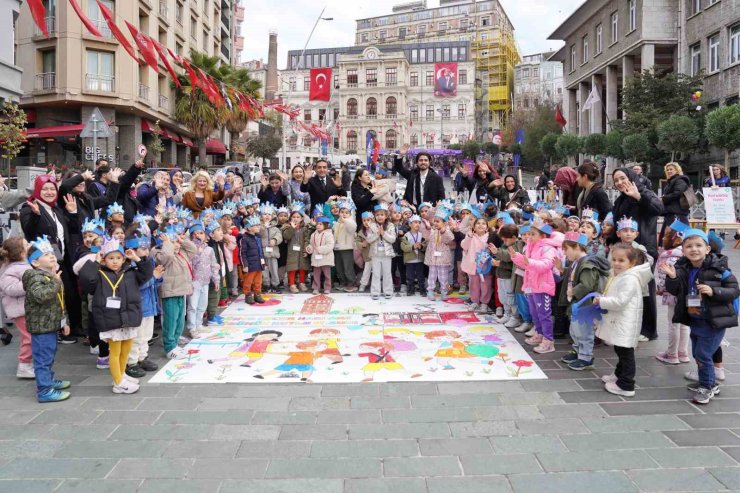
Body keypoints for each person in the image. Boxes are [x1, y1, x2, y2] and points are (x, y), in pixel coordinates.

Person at [663, 229, 740, 404]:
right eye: (689, 246)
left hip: (714, 321)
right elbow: (674, 290)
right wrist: (673, 277)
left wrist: (714, 291)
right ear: (683, 250)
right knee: (699, 353)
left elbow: (735, 290)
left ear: (707, 249)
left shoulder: (719, 268)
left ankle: (707, 387)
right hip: (695, 317)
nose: (694, 249)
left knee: (703, 353)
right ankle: (709, 382)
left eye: (698, 245)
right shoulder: (682, 267)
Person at [78, 237, 153, 394]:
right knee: (115, 351)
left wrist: (137, 259)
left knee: (126, 348)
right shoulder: (99, 274)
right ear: (104, 259)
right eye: (111, 258)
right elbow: (86, 280)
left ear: (124, 258)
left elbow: (146, 274)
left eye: (118, 258)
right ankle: (118, 382)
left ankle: (122, 374)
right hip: (110, 319)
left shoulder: (130, 272)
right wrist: (95, 262)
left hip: (129, 317)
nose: (115, 261)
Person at [20, 175, 81, 343]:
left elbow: (72, 229)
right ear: (38, 189)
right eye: (45, 188)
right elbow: (29, 231)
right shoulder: (29, 207)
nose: (49, 192)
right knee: (54, 296)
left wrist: (73, 212)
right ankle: (60, 331)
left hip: (62, 258)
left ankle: (71, 327)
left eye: (52, 188)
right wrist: (35, 216)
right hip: (44, 263)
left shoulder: (55, 209)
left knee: (69, 293)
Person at [610, 167, 663, 341]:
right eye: (616, 180)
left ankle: (649, 330)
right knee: (626, 287)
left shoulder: (644, 192)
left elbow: (658, 208)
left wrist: (638, 196)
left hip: (644, 249)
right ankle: (630, 325)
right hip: (625, 249)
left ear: (632, 177)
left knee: (645, 289)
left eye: (622, 178)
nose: (619, 183)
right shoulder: (620, 200)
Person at [595, 243, 653, 397]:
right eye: (614, 259)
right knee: (621, 350)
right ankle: (618, 374)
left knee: (626, 352)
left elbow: (621, 301)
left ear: (632, 263)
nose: (616, 263)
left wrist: (601, 301)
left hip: (625, 322)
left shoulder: (630, 279)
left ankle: (626, 385)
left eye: (621, 261)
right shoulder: (619, 275)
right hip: (619, 321)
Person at [23, 236, 72, 402]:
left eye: (51, 253)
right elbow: (41, 296)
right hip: (41, 326)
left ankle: (49, 381)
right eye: (46, 254)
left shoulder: (51, 275)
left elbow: (60, 300)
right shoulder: (34, 277)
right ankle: (44, 391)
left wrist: (64, 321)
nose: (51, 256)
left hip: (51, 324)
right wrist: (56, 282)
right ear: (35, 263)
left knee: (49, 355)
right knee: (42, 359)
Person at [559, 232, 610, 371]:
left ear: (577, 247)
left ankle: (586, 357)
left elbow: (586, 285)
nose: (564, 253)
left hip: (585, 304)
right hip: (578, 303)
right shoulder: (577, 262)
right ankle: (577, 351)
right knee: (575, 329)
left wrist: (573, 291)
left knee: (584, 331)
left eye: (566, 249)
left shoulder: (587, 263)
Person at [512, 220, 563, 354]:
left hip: (543, 287)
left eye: (533, 234)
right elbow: (527, 265)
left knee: (544, 315)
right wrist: (516, 257)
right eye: (529, 234)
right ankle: (539, 334)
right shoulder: (532, 246)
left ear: (543, 236)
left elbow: (545, 265)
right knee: (535, 313)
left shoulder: (549, 249)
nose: (529, 237)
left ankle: (548, 341)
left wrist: (529, 261)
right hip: (531, 285)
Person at [154, 229, 197, 360]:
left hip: (181, 291)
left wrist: (182, 240)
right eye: (173, 242)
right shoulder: (158, 253)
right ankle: (169, 347)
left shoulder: (182, 253)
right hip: (170, 292)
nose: (176, 245)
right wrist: (167, 243)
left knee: (179, 320)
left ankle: (175, 342)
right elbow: (166, 257)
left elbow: (193, 250)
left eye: (176, 241)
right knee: (170, 321)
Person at [124, 234, 161, 377]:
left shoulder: (148, 262)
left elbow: (154, 281)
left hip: (149, 305)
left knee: (146, 335)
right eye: (143, 249)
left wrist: (158, 278)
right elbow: (137, 285)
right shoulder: (130, 267)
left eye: (147, 248)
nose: (146, 252)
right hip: (138, 307)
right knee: (136, 337)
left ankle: (143, 357)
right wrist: (154, 278)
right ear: (132, 251)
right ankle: (132, 362)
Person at [654, 230, 690, 366]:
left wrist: (661, 289)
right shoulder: (686, 255)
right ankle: (683, 352)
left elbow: (664, 276)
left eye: (665, 236)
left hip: (673, 294)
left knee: (673, 324)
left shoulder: (667, 256)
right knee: (685, 324)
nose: (663, 238)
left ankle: (672, 354)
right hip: (687, 294)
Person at [0, 237, 33, 379]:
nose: (30, 245)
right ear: (20, 252)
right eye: (26, 245)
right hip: (20, 310)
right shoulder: (10, 270)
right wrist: (30, 283)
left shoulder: (25, 264)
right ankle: (24, 365)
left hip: (27, 308)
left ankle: (29, 362)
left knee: (31, 336)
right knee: (29, 338)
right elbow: (10, 289)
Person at [185, 222, 219, 340]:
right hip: (195, 281)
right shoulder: (190, 250)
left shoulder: (209, 249)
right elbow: (190, 264)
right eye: (196, 234)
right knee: (193, 305)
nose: (199, 236)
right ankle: (191, 327)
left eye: (201, 233)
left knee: (202, 305)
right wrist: (196, 252)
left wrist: (216, 279)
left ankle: (199, 324)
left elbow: (214, 265)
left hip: (205, 281)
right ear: (192, 236)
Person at [421, 206, 454, 301]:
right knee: (432, 276)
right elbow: (426, 237)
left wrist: (443, 231)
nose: (435, 223)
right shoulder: (432, 230)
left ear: (444, 223)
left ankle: (444, 291)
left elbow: (449, 239)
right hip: (432, 258)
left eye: (438, 221)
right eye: (434, 221)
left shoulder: (447, 230)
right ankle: (430, 291)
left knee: (443, 277)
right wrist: (427, 228)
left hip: (443, 259)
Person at [461, 217, 493, 312]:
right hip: (473, 265)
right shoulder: (470, 236)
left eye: (483, 223)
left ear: (487, 228)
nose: (480, 225)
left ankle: (484, 303)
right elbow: (464, 246)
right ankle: (474, 301)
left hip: (485, 266)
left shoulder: (489, 237)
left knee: (485, 284)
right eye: (478, 223)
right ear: (474, 227)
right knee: (473, 284)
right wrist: (469, 236)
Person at [240, 216, 267, 305]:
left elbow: (261, 251)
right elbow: (242, 253)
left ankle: (257, 294)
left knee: (258, 281)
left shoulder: (258, 237)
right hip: (250, 265)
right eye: (256, 225)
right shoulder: (244, 239)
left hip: (259, 263)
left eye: (259, 225)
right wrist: (245, 265)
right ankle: (248, 295)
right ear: (249, 228)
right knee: (248, 281)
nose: (258, 227)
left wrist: (263, 262)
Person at [660, 162, 691, 239]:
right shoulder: (672, 181)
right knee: (672, 237)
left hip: (677, 212)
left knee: (678, 237)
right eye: (667, 170)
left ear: (677, 170)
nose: (669, 171)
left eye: (671, 169)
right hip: (672, 212)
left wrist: (663, 198)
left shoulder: (680, 180)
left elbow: (678, 192)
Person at [282, 206, 310, 293]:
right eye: (294, 217)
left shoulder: (305, 228)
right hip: (292, 252)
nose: (296, 219)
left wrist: (306, 250)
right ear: (290, 218)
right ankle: (292, 284)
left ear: (302, 218)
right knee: (292, 268)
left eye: (298, 217)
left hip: (301, 251)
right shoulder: (287, 227)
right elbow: (287, 236)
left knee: (302, 267)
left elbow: (307, 239)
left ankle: (302, 283)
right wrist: (292, 228)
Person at [306, 216, 335, 295]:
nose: (318, 226)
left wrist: (320, 249)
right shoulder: (313, 235)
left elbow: (330, 246)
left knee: (327, 275)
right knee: (316, 274)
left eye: (320, 224)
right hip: (316, 258)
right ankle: (316, 288)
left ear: (325, 225)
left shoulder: (329, 234)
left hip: (326, 258)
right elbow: (312, 245)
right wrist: (309, 249)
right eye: (317, 224)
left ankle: (327, 288)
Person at [333, 199, 358, 292]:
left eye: (347, 213)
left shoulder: (351, 222)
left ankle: (351, 282)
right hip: (337, 248)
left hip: (347, 248)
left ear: (350, 214)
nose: (344, 214)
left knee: (348, 267)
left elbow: (352, 228)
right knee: (339, 267)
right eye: (342, 212)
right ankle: (342, 282)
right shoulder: (336, 223)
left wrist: (346, 221)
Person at [259, 204, 283, 293]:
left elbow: (279, 236)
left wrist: (275, 240)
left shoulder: (276, 228)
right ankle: (266, 285)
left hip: (273, 253)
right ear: (261, 216)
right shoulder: (259, 227)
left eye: (269, 214)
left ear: (272, 216)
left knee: (274, 270)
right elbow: (259, 234)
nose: (267, 216)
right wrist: (263, 227)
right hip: (263, 253)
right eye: (265, 214)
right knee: (264, 271)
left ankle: (275, 285)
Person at [400, 214, 426, 296]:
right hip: (410, 260)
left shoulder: (422, 235)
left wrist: (421, 246)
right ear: (410, 224)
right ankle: (410, 290)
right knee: (410, 277)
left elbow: (426, 246)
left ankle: (422, 290)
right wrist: (413, 246)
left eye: (419, 222)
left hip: (419, 260)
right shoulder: (406, 235)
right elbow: (403, 247)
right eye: (415, 222)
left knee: (421, 276)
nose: (417, 224)